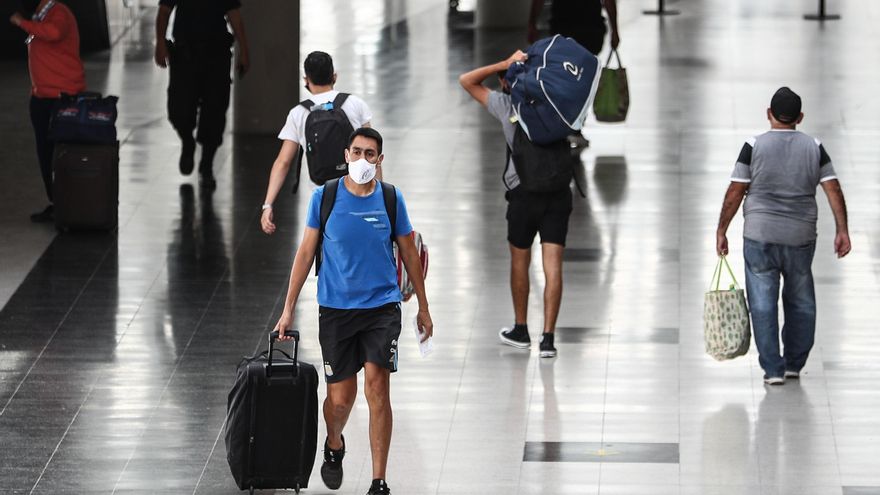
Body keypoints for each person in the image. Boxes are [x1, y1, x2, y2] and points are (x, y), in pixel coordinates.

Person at [274, 127, 432, 495]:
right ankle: (334, 442)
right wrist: (287, 309)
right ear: (346, 155)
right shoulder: (325, 198)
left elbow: (409, 253)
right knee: (341, 400)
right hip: (336, 310)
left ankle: (379, 481)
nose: (363, 160)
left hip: (381, 309)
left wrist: (423, 307)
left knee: (378, 390)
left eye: (371, 154)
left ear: (380, 160)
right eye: (357, 152)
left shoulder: (391, 200)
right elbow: (305, 254)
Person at [715, 87, 851, 386]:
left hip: (759, 235)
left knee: (762, 303)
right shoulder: (815, 147)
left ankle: (773, 370)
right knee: (801, 300)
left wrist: (722, 229)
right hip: (800, 236)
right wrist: (842, 230)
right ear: (799, 117)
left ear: (769, 114)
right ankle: (793, 363)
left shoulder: (753, 146)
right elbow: (833, 189)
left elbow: (735, 191)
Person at [459, 51, 573, 359]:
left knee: (520, 261)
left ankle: (521, 329)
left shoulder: (506, 105)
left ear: (507, 81)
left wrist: (501, 64)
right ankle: (548, 338)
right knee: (553, 266)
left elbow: (466, 81)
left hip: (523, 194)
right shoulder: (560, 106)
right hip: (558, 192)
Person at [260, 51, 373, 235]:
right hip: (357, 191)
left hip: (323, 197)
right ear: (334, 76)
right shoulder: (355, 104)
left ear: (306, 79)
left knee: (324, 246)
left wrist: (268, 204)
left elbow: (283, 162)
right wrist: (379, 196)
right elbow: (371, 152)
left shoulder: (298, 113)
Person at [154, 0, 249, 189]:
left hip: (216, 56)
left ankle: (206, 166)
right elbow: (164, 11)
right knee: (179, 109)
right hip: (184, 55)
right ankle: (187, 141)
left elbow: (234, 16)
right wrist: (160, 44)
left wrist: (244, 51)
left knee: (215, 112)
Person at [9, 0, 86, 223]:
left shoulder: (57, 12)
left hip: (62, 98)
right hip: (42, 97)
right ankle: (57, 203)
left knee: (64, 153)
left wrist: (22, 23)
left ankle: (76, 204)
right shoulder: (39, 15)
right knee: (46, 153)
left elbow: (53, 33)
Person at [528, 0, 620, 148]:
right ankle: (574, 127)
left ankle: (568, 127)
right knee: (581, 81)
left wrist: (532, 22)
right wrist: (615, 29)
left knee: (563, 81)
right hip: (589, 29)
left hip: (565, 27)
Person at [528, 0, 620, 55]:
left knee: (564, 70)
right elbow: (609, 1)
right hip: (591, 29)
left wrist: (532, 23)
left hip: (563, 28)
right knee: (585, 71)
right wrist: (614, 31)